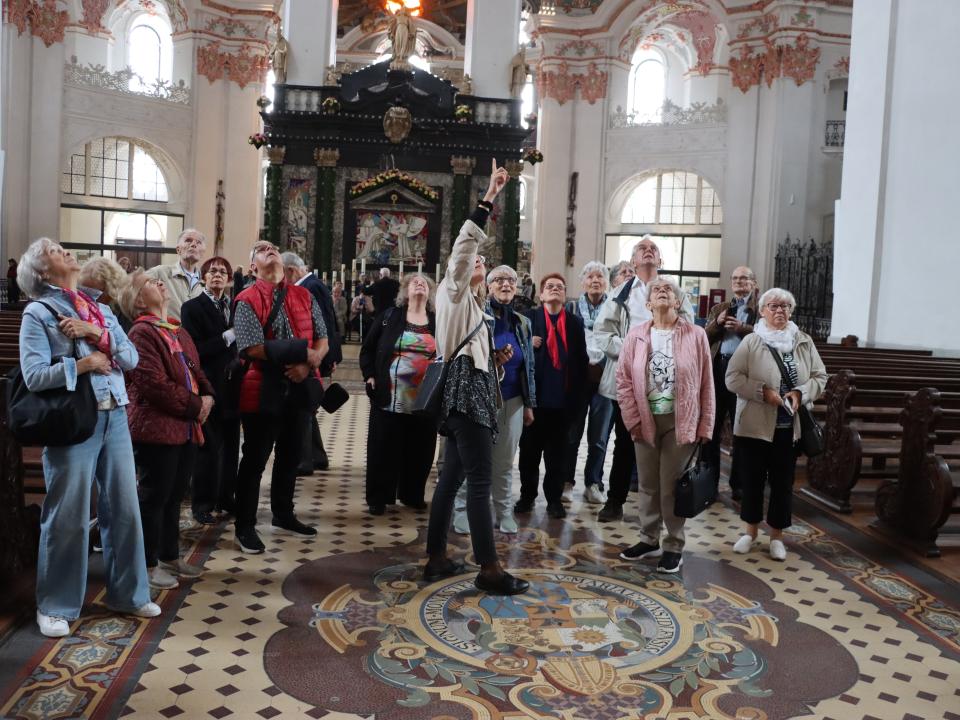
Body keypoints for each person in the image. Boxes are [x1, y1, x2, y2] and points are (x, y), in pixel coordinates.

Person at [17, 238, 158, 637]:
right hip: (74, 421)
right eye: (55, 252)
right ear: (43, 273)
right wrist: (82, 364)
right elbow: (33, 376)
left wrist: (97, 334)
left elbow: (130, 359)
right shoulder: (37, 313)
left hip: (115, 415)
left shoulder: (100, 309)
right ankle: (56, 605)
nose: (66, 253)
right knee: (69, 516)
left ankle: (129, 594)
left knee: (124, 509)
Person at [425, 159, 529, 596]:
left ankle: (435, 558)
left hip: (475, 390)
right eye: (476, 260)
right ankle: (489, 568)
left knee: (451, 478)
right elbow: (465, 248)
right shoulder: (453, 289)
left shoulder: (477, 310)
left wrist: (499, 358)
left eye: (484, 260)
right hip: (467, 393)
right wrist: (489, 195)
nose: (479, 261)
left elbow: (478, 357)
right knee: (481, 481)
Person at [232, 241, 328, 554]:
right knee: (255, 460)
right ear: (252, 267)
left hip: (300, 387)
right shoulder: (246, 298)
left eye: (273, 247)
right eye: (260, 249)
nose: (269, 250)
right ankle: (244, 526)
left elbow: (322, 337)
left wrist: (308, 362)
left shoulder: (304, 294)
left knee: (290, 456)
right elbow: (250, 348)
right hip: (263, 387)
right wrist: (300, 352)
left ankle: (283, 514)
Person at [120, 270, 214, 589]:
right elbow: (154, 385)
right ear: (137, 300)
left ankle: (169, 556)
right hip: (156, 428)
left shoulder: (177, 330)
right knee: (154, 497)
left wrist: (209, 397)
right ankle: (146, 566)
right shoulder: (141, 334)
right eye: (150, 283)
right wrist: (196, 405)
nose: (159, 283)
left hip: (184, 428)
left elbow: (196, 370)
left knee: (174, 495)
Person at [616, 278, 714, 574]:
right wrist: (632, 418)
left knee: (670, 487)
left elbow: (707, 383)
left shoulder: (696, 335)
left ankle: (673, 545)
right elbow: (623, 380)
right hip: (645, 419)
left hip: (680, 419)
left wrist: (705, 424)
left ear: (677, 301)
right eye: (656, 289)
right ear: (648, 304)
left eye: (668, 289)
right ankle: (649, 539)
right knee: (647, 484)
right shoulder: (636, 335)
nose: (662, 291)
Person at [593, 236, 694, 522]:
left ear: (660, 261)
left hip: (665, 379)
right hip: (630, 377)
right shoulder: (620, 293)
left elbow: (688, 328)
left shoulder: (674, 291)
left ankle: (665, 507)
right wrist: (631, 352)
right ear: (633, 261)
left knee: (667, 445)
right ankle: (615, 501)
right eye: (642, 249)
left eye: (653, 249)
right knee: (626, 441)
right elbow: (602, 334)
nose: (648, 251)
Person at [726, 288, 827, 561]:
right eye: (773, 306)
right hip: (754, 426)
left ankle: (777, 537)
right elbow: (732, 378)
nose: (779, 311)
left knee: (783, 483)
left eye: (785, 306)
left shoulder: (803, 341)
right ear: (762, 311)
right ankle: (749, 532)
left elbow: (820, 376)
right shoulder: (751, 342)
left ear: (791, 311)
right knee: (752, 481)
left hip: (788, 429)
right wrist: (762, 393)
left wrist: (800, 393)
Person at [452, 264, 537, 535]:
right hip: (480, 397)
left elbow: (529, 366)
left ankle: (503, 511)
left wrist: (530, 403)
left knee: (504, 461)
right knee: (474, 457)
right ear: (489, 286)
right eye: (499, 280)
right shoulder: (477, 313)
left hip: (513, 399)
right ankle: (462, 511)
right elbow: (464, 353)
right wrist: (494, 360)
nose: (505, 285)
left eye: (511, 280)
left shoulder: (523, 322)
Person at [360, 273, 438, 515]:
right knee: (383, 447)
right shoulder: (390, 316)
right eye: (414, 281)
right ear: (404, 290)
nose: (419, 284)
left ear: (430, 292)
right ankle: (378, 497)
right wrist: (370, 375)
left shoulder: (438, 320)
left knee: (420, 448)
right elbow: (368, 349)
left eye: (424, 282)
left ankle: (412, 494)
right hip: (389, 393)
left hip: (425, 397)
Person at [515, 273, 588, 519]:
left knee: (558, 456)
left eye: (560, 287)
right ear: (541, 295)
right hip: (534, 403)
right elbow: (516, 355)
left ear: (565, 294)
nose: (555, 289)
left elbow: (581, 361)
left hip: (563, 402)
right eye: (550, 286)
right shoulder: (529, 319)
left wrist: (578, 403)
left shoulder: (574, 323)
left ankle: (554, 500)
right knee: (529, 454)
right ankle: (527, 497)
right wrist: (528, 344)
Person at [180, 257, 241, 522]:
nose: (218, 275)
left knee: (231, 447)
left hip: (234, 385)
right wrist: (227, 336)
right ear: (203, 277)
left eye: (223, 271)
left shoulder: (236, 306)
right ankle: (202, 505)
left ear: (229, 279)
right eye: (212, 271)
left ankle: (227, 498)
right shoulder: (192, 307)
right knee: (208, 446)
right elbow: (195, 351)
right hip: (209, 384)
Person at [281, 253, 342, 474]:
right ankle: (317, 456)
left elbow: (326, 324)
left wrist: (324, 357)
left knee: (304, 408)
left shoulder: (311, 286)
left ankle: (304, 460)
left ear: (290, 270)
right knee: (308, 406)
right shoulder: (310, 284)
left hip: (314, 355)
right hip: (315, 354)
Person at [703, 267, 758, 500]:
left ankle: (739, 485)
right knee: (711, 428)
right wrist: (718, 322)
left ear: (753, 283)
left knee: (741, 430)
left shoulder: (760, 309)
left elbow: (766, 336)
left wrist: (741, 328)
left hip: (745, 374)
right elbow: (704, 336)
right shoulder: (720, 307)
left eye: (744, 278)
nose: (739, 282)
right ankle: (708, 482)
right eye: (735, 278)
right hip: (719, 369)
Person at [563, 261, 613, 505]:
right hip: (579, 379)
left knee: (599, 436)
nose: (595, 281)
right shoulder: (571, 308)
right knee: (572, 432)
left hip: (605, 378)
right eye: (591, 277)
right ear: (582, 282)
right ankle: (566, 481)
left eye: (600, 277)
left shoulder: (614, 309)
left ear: (607, 283)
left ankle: (594, 483)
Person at [146, 228, 207, 321]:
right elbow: (132, 290)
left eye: (198, 242)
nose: (194, 244)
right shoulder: (160, 273)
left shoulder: (206, 282)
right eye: (188, 240)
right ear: (178, 249)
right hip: (168, 333)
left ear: (202, 253)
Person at [78, 256, 133, 331]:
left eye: (95, 292)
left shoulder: (124, 312)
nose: (87, 298)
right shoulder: (80, 308)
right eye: (84, 291)